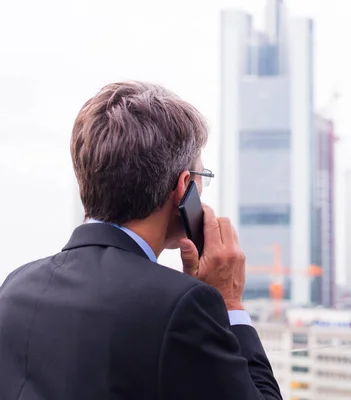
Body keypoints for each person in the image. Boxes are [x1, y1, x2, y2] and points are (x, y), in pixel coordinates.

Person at [0, 81, 282, 400]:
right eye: (201, 179)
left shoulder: (15, 288)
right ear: (184, 187)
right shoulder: (183, 305)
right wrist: (229, 302)